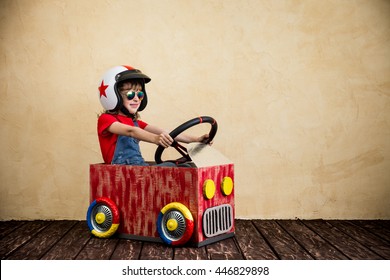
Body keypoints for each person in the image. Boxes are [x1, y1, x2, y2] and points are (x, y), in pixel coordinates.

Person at [97, 65, 209, 167]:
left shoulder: (136, 122)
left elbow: (165, 133)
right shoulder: (106, 120)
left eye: (140, 94)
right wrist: (155, 139)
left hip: (139, 167)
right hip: (122, 172)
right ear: (114, 96)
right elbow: (131, 131)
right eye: (130, 94)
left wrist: (196, 140)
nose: (137, 99)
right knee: (172, 167)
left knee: (188, 166)